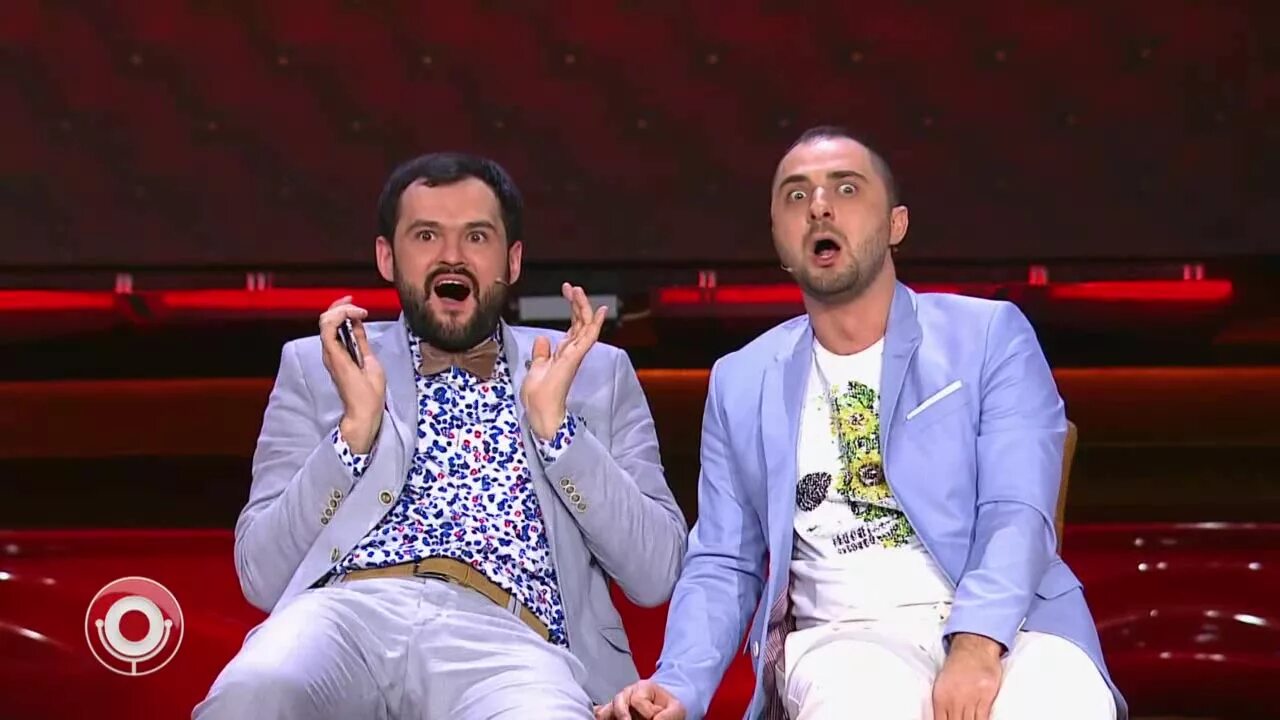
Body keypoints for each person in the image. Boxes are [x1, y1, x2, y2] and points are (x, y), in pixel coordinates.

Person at [598, 127, 1126, 720]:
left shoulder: (987, 336)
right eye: (797, 196)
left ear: (897, 224)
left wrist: (977, 644)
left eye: (846, 188)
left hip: (1011, 625)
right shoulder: (741, 380)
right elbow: (725, 560)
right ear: (779, 241)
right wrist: (678, 684)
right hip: (845, 638)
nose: (819, 206)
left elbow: (1017, 511)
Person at [194, 152, 688, 720]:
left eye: (476, 236)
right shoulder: (318, 366)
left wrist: (559, 433)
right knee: (256, 691)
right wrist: (352, 437)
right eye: (426, 235)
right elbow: (260, 576)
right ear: (387, 257)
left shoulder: (596, 371)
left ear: (512, 261)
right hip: (344, 616)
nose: (451, 256)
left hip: (513, 641)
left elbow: (656, 573)